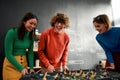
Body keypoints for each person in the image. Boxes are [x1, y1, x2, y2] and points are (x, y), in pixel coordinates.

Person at [3, 12, 38, 80]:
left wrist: (31, 68)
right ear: (24, 22)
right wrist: (20, 68)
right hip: (11, 65)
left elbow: (30, 53)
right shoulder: (12, 32)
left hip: (24, 64)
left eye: (34, 24)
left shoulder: (31, 36)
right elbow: (8, 54)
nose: (33, 26)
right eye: (31, 23)